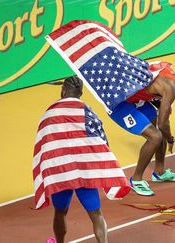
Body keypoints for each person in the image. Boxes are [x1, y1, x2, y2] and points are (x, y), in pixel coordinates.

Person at [33, 76, 131, 243]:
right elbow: (101, 138)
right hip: (85, 171)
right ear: (80, 94)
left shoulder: (49, 113)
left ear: (62, 91)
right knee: (96, 214)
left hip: (61, 172)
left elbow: (43, 144)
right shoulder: (87, 111)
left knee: (60, 212)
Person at [108, 63, 175, 196]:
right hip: (119, 103)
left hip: (136, 99)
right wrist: (170, 139)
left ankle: (159, 172)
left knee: (159, 130)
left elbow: (164, 120)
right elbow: (163, 124)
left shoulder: (170, 77)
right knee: (155, 137)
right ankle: (135, 180)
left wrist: (167, 132)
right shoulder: (170, 87)